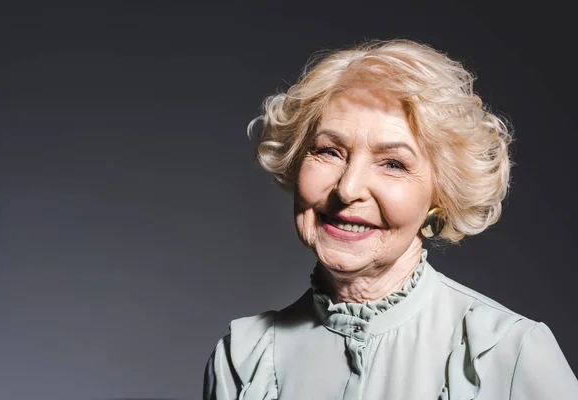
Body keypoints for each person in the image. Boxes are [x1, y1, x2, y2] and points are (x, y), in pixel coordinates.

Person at [202, 39, 578, 399]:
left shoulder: (508, 351)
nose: (348, 189)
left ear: (441, 195)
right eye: (329, 151)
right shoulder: (243, 359)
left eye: (393, 163)